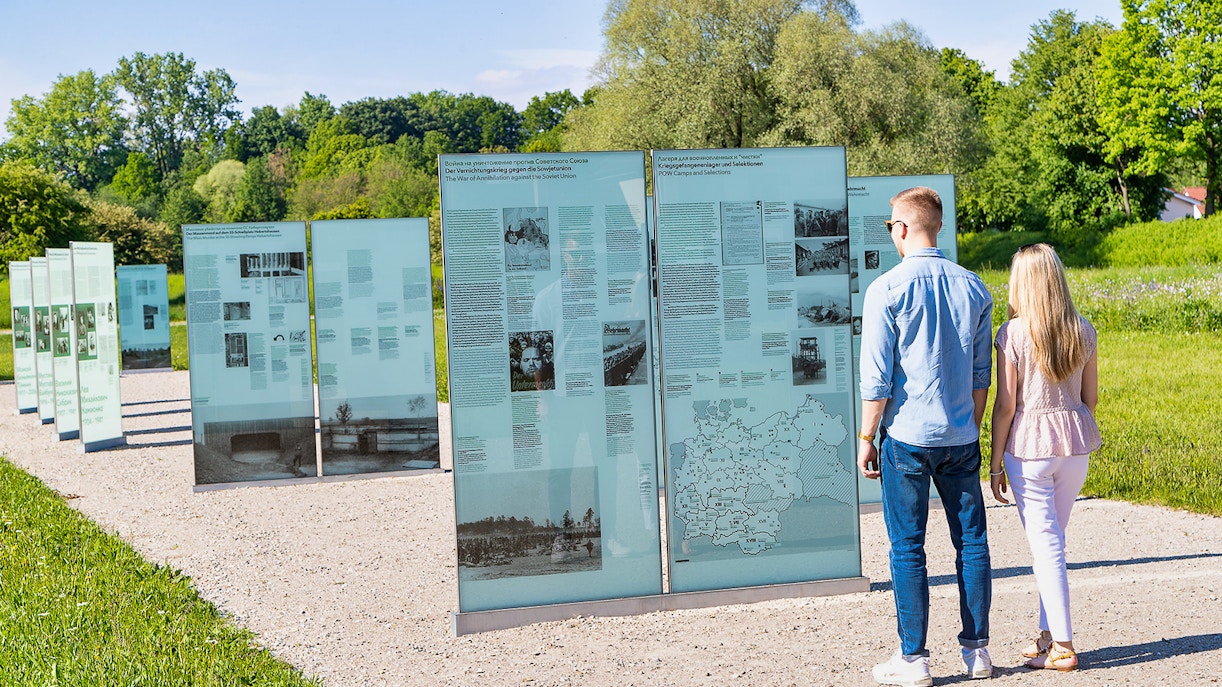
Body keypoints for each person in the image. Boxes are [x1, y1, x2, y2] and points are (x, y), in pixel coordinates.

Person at [857, 186, 994, 686]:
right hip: (959, 433)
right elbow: (982, 374)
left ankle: (914, 659)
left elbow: (877, 377)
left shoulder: (886, 290)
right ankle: (977, 652)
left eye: (892, 224)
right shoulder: (975, 287)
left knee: (908, 547)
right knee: (972, 541)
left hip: (908, 436)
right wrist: (970, 424)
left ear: (905, 228)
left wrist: (866, 436)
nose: (891, 231)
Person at [989, 243, 1100, 672]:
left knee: (1046, 544)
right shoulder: (1083, 330)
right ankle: (1048, 637)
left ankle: (1064, 646)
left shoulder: (1012, 333)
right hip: (1075, 446)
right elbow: (1090, 399)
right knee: (1052, 542)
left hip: (1028, 448)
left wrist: (995, 462)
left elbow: (1006, 405)